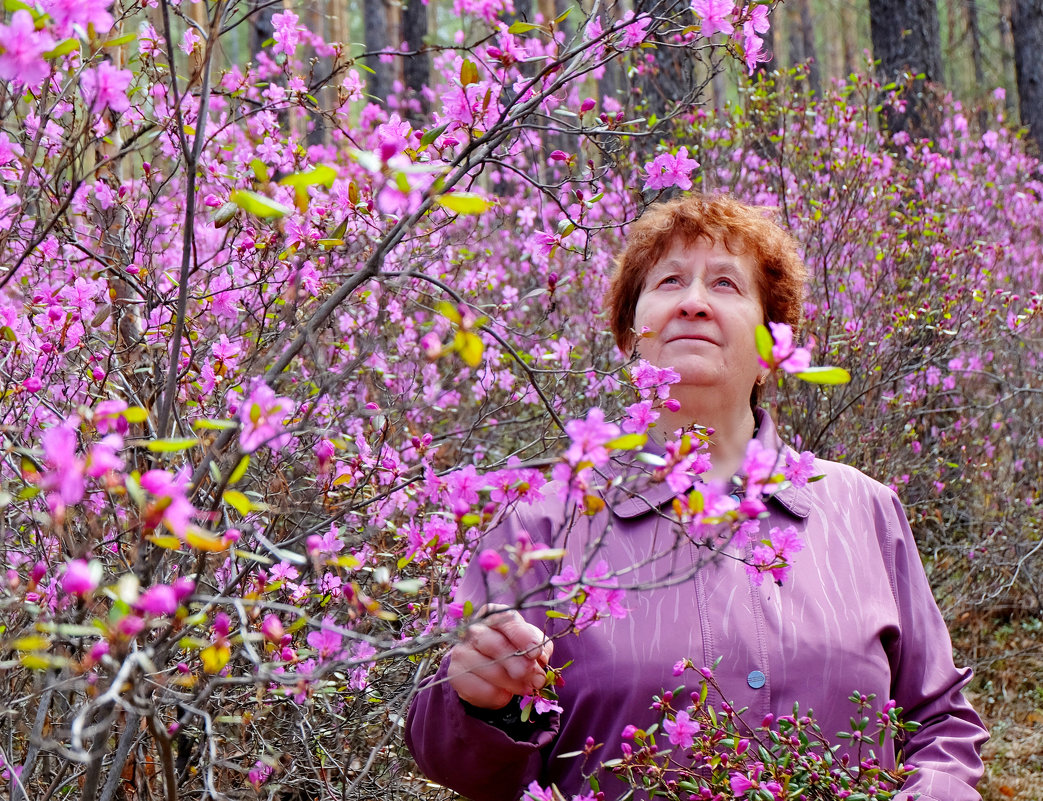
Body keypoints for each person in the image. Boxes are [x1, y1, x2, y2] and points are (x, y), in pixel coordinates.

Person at [405, 195, 987, 801]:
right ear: (632, 340)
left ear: (770, 351)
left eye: (727, 283)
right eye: (669, 281)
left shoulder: (862, 509)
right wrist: (479, 704)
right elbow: (453, 759)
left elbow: (941, 719)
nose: (693, 301)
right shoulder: (538, 517)